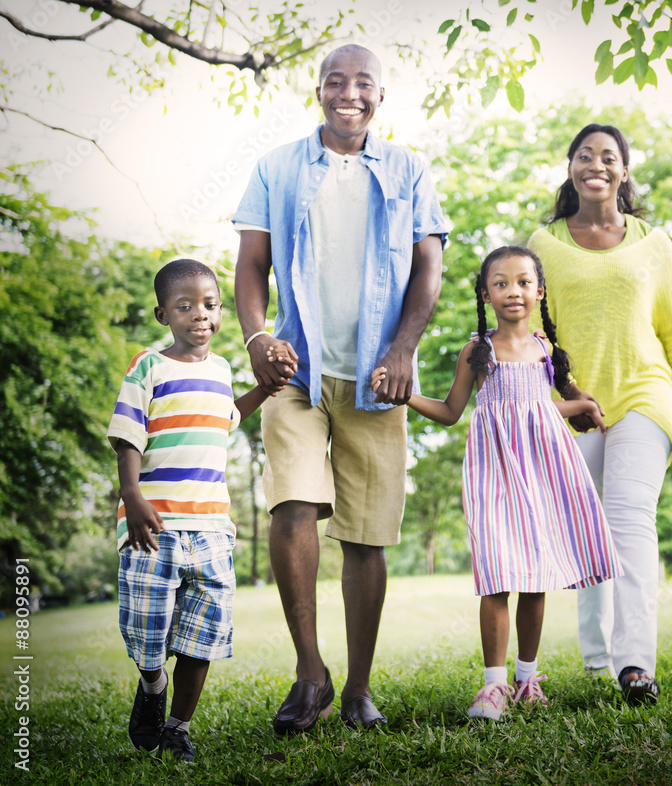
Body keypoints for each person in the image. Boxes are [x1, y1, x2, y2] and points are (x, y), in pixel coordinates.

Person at [232, 43, 448, 732]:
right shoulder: (278, 166)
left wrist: (403, 349)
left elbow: (429, 270)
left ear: (380, 96)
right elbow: (251, 264)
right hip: (296, 370)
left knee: (368, 536)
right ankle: (309, 672)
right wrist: (257, 338)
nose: (347, 93)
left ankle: (356, 689)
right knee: (292, 506)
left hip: (376, 379)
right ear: (318, 91)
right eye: (335, 82)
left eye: (362, 84)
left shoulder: (410, 169)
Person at [373, 246, 620, 720]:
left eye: (524, 282)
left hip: (545, 472)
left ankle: (527, 679)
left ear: (540, 291)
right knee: (497, 574)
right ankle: (494, 686)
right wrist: (403, 395)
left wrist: (582, 406)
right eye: (501, 283)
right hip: (494, 473)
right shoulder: (477, 350)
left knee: (534, 578)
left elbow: (545, 406)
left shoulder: (546, 348)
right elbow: (449, 412)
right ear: (485, 293)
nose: (514, 291)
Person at [527, 123, 672, 705]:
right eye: (585, 155)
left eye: (609, 157)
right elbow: (531, 335)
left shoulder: (654, 243)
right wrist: (563, 398)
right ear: (571, 167)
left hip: (643, 397)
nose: (596, 164)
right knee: (587, 532)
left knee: (630, 518)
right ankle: (597, 658)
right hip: (575, 404)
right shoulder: (543, 243)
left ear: (624, 172)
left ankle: (635, 666)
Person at [109, 258, 291, 761]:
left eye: (210, 305)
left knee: (200, 637)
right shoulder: (148, 365)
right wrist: (132, 496)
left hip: (212, 529)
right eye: (184, 306)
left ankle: (178, 728)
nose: (200, 315)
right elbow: (127, 434)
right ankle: (151, 686)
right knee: (146, 635)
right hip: (154, 526)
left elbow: (227, 417)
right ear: (162, 314)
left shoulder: (221, 370)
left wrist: (266, 388)